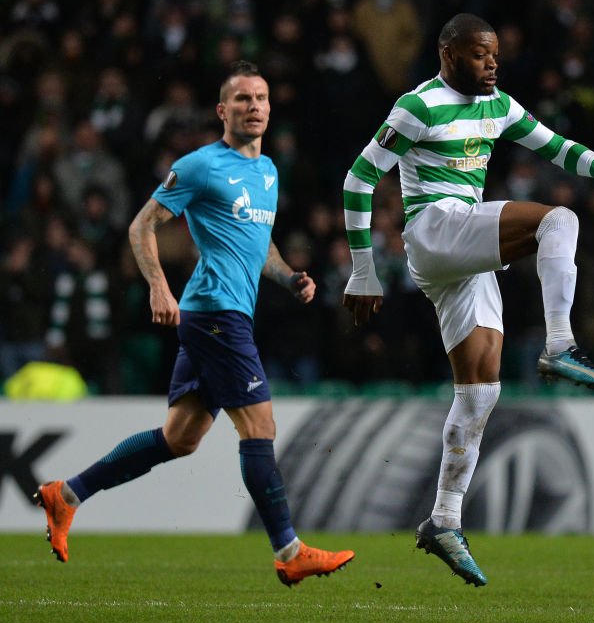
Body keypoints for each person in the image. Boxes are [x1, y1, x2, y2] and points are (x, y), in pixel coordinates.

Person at [341, 13, 594, 586]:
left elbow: (557, 147)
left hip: (462, 253)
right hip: (435, 228)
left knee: (481, 390)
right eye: (480, 54)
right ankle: (561, 343)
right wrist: (363, 271)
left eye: (496, 55)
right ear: (447, 53)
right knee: (558, 221)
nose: (491, 64)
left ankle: (443, 520)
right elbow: (359, 180)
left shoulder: (499, 105)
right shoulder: (418, 106)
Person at [34, 60, 354, 587]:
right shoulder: (202, 166)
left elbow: (260, 245)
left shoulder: (269, 171)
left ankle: (65, 495)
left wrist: (288, 277)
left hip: (225, 314)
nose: (254, 107)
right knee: (261, 428)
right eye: (243, 99)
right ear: (221, 110)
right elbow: (142, 226)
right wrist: (160, 287)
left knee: (179, 438)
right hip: (214, 316)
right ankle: (289, 551)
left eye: (262, 98)